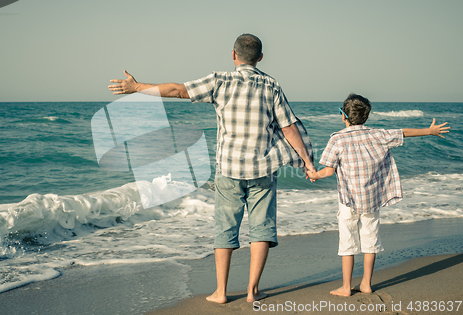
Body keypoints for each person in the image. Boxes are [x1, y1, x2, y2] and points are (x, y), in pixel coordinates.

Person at [108, 33, 316, 303]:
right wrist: (307, 162)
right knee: (262, 228)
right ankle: (253, 291)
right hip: (263, 168)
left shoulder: (220, 80)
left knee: (225, 227)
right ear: (260, 58)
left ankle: (221, 292)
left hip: (229, 168)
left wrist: (136, 87)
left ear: (233, 55)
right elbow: (288, 127)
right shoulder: (271, 85)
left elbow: (178, 90)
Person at [307, 93, 450, 297]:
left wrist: (315, 175)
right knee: (370, 239)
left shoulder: (337, 139)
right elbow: (403, 132)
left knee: (347, 241)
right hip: (372, 199)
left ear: (343, 115)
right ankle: (366, 283)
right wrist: (429, 131)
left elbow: (328, 171)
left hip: (348, 200)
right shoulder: (378, 134)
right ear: (366, 116)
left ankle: (346, 287)